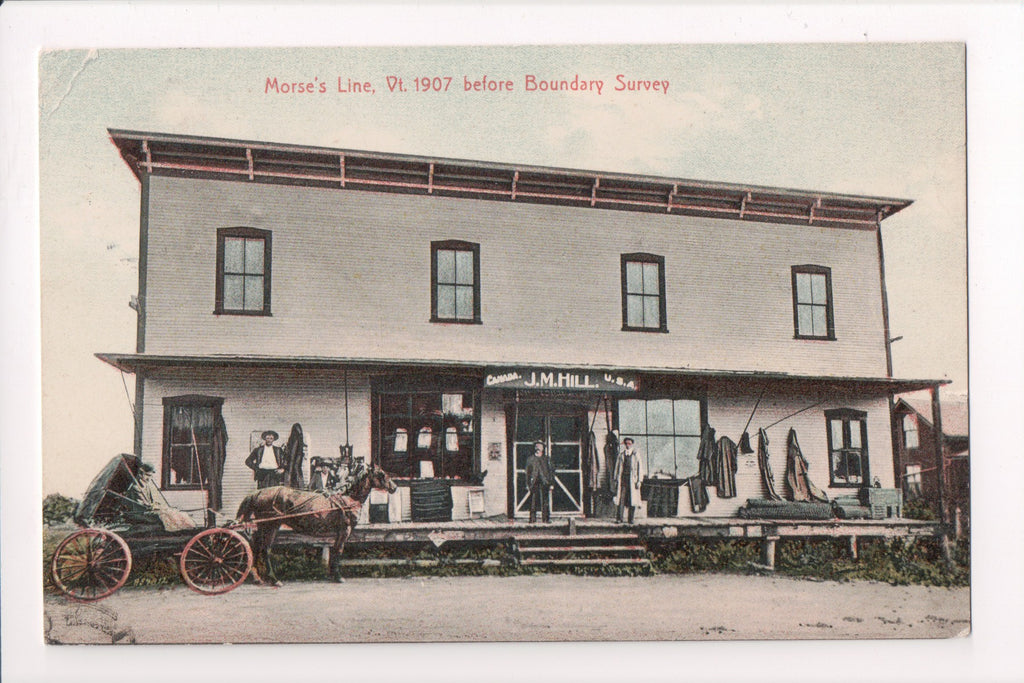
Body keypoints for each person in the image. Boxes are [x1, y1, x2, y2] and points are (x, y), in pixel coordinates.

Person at [125, 463, 196, 532]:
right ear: (141, 474)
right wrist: (157, 507)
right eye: (147, 475)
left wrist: (159, 506)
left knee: (174, 512)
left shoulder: (146, 486)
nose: (149, 478)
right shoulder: (136, 488)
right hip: (139, 513)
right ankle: (174, 532)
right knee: (166, 515)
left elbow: (152, 502)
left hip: (147, 511)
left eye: (151, 476)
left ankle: (184, 529)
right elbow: (142, 506)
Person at [613, 436, 645, 523]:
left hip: (632, 481)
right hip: (623, 480)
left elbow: (640, 468)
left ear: (632, 444)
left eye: (629, 444)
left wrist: (639, 480)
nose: (628, 445)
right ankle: (619, 518)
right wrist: (615, 479)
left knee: (632, 500)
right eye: (626, 444)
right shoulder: (621, 455)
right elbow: (617, 468)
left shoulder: (636, 455)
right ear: (624, 444)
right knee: (621, 499)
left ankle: (631, 519)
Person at [525, 440, 554, 523]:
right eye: (536, 446)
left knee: (545, 501)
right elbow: (527, 473)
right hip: (534, 483)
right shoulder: (530, 459)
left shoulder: (547, 459)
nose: (538, 448)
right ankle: (532, 519)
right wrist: (527, 484)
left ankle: (545, 519)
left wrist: (551, 484)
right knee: (533, 502)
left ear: (543, 448)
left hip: (544, 482)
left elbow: (551, 472)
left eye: (540, 446)